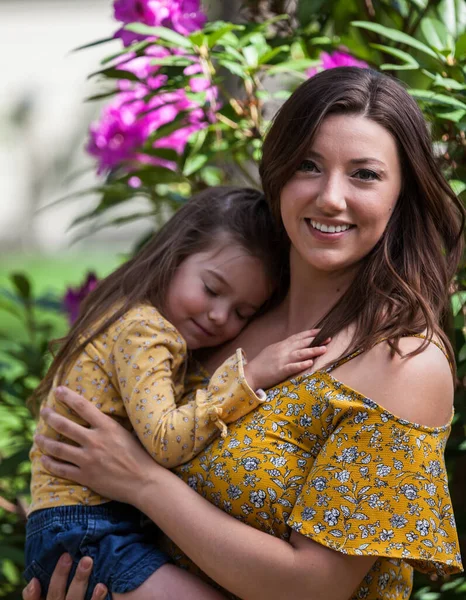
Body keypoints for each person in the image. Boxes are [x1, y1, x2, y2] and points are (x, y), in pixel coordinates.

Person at [26, 67, 464, 600]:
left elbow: (314, 588)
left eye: (364, 175)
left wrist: (141, 481)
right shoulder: (225, 315)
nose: (330, 196)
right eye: (309, 165)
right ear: (279, 174)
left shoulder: (401, 361)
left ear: (403, 194)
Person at [25, 186, 329, 600]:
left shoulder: (138, 321)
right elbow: (166, 441)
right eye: (211, 288)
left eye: (242, 312)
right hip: (87, 531)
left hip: (86, 527)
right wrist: (248, 377)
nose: (220, 315)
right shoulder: (145, 331)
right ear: (175, 257)